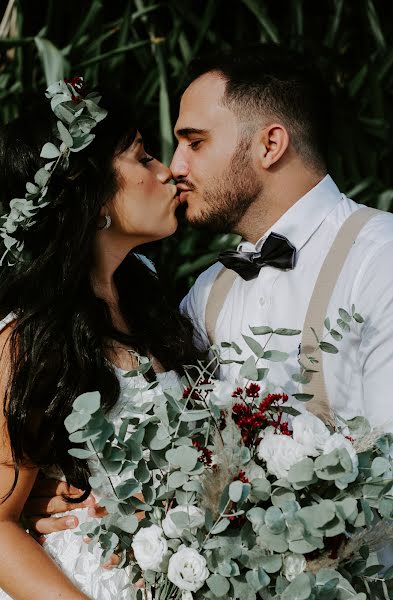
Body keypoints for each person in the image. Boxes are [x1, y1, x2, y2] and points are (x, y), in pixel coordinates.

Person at [25, 47, 393, 554]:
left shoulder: (380, 261)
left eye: (194, 143)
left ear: (270, 144)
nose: (175, 167)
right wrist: (54, 489)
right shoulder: (204, 294)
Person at [0, 79, 200, 599]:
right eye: (142, 156)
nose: (168, 171)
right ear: (91, 194)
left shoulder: (155, 306)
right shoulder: (30, 339)